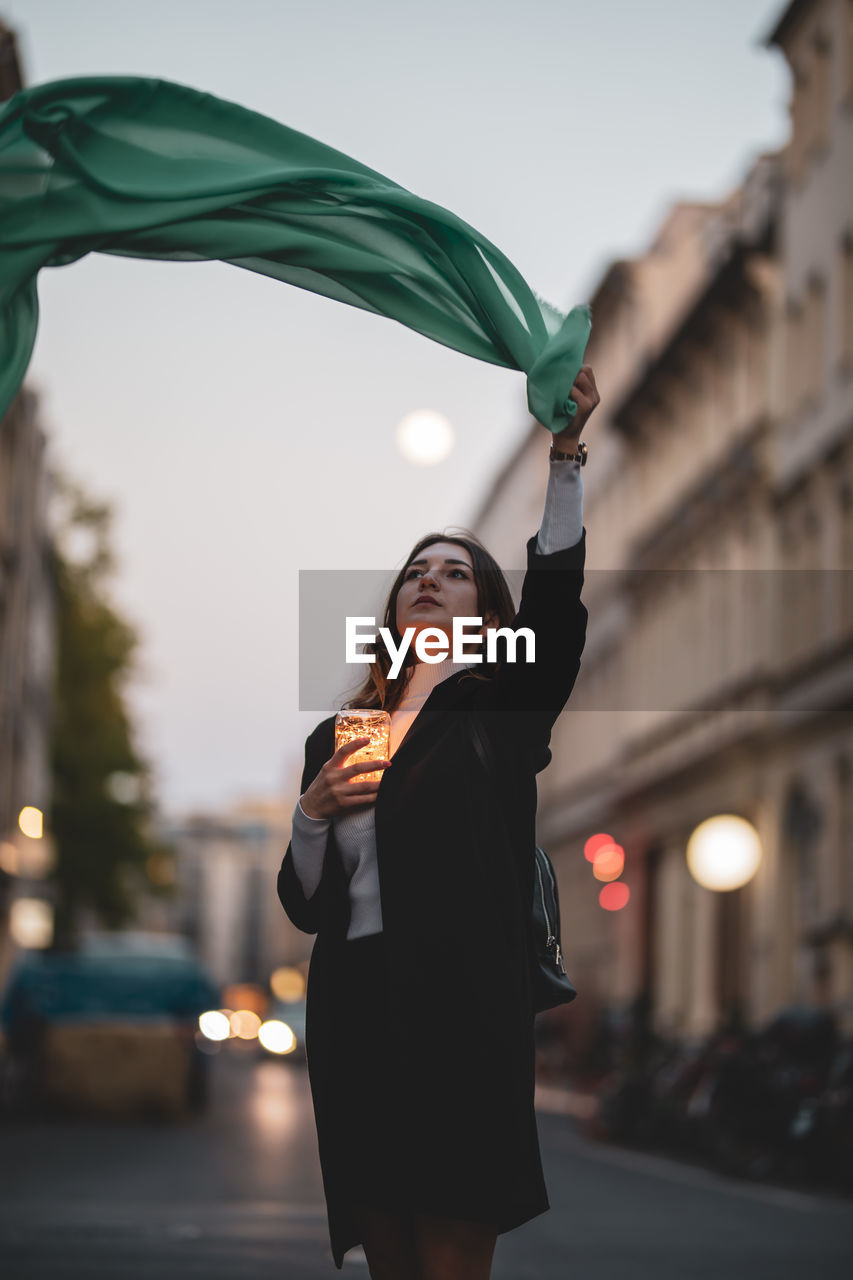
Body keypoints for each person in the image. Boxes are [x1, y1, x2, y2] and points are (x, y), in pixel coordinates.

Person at [277, 365, 599, 1278]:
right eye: (416, 573)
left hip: (462, 1009)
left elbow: (557, 614)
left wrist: (565, 455)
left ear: (488, 617)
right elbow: (305, 905)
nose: (430, 581)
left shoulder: (502, 706)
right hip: (356, 1008)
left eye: (455, 574)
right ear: (393, 608)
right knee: (389, 1260)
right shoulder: (339, 736)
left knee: (450, 1255)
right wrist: (312, 812)